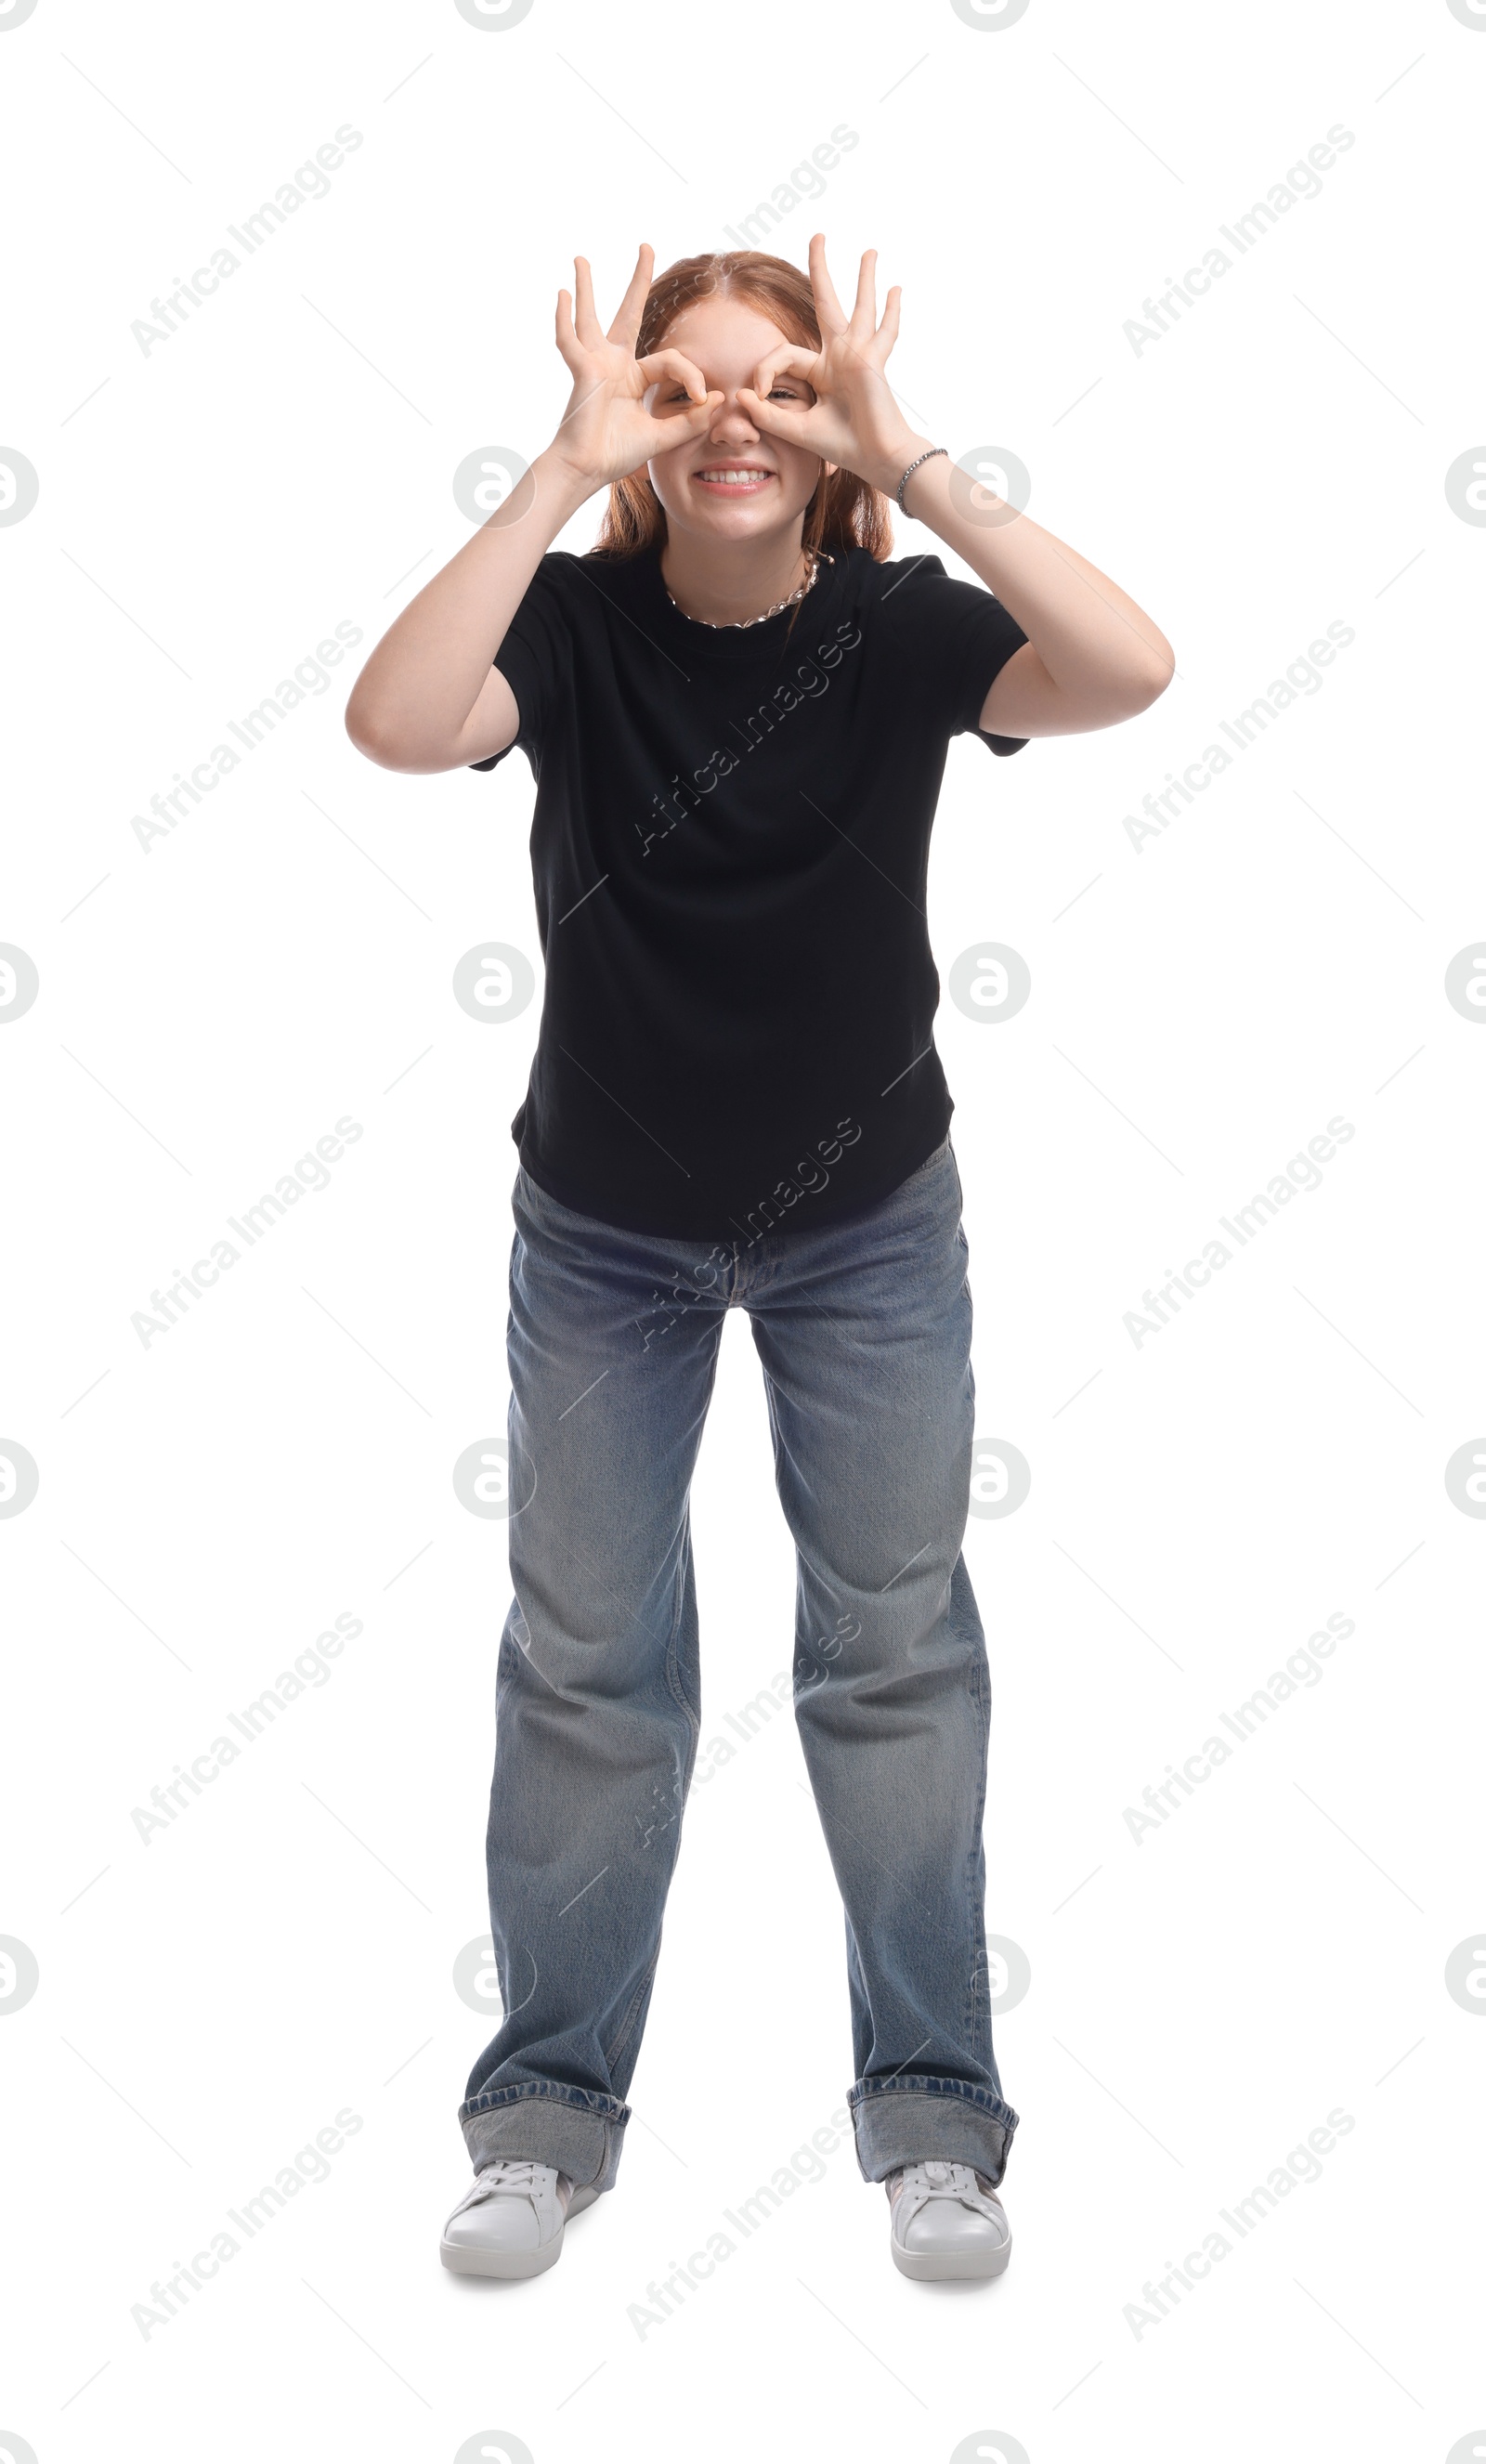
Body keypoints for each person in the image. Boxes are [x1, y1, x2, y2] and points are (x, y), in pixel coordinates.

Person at [345, 235, 1172, 2284]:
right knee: (587, 1667)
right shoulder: (567, 622)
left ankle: (930, 2126)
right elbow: (391, 724)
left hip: (864, 1231)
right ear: (637, 420)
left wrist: (920, 455)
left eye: (780, 386)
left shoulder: (897, 627)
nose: (734, 415)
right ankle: (544, 2118)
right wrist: (549, 474)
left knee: (889, 1654)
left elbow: (1130, 668)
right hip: (604, 1237)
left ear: (826, 431)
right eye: (687, 383)